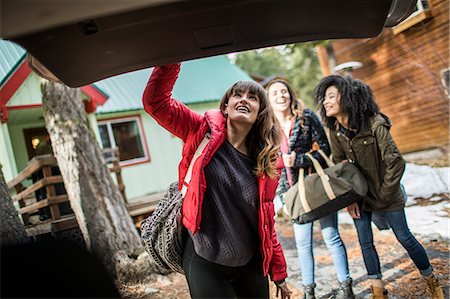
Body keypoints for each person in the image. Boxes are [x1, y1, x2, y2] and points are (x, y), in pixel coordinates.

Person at [142, 63, 292, 299]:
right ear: (226, 105)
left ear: (260, 112)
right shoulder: (200, 131)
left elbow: (266, 220)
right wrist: (173, 58)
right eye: (237, 94)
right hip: (204, 260)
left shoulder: (267, 162)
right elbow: (156, 102)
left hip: (251, 265)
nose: (244, 99)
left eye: (253, 97)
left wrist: (279, 273)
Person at [315, 75, 444, 299]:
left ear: (347, 98)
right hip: (360, 197)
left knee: (404, 237)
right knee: (365, 241)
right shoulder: (335, 131)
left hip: (388, 193)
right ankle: (377, 291)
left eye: (331, 96)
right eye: (324, 98)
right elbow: (340, 166)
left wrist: (385, 195)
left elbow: (395, 161)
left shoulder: (375, 123)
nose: (326, 102)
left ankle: (431, 279)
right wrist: (351, 199)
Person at [266, 79, 354, 299]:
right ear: (269, 99)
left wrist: (300, 159)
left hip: (316, 187)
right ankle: (309, 292)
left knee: (331, 236)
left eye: (284, 91)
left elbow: (325, 150)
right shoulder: (267, 127)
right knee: (303, 243)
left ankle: (346, 287)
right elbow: (268, 163)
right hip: (292, 194)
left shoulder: (306, 118)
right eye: (275, 93)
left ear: (290, 94)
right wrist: (280, 196)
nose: (280, 96)